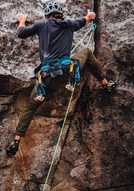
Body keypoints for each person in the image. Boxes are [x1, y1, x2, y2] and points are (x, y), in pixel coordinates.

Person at [6, 0, 116, 156]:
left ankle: (16, 140)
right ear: (60, 13)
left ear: (47, 14)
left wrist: (22, 20)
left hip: (46, 76)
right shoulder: (69, 24)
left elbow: (21, 33)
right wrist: (90, 16)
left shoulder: (41, 25)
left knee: (31, 107)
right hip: (67, 70)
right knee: (86, 52)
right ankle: (106, 83)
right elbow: (86, 19)